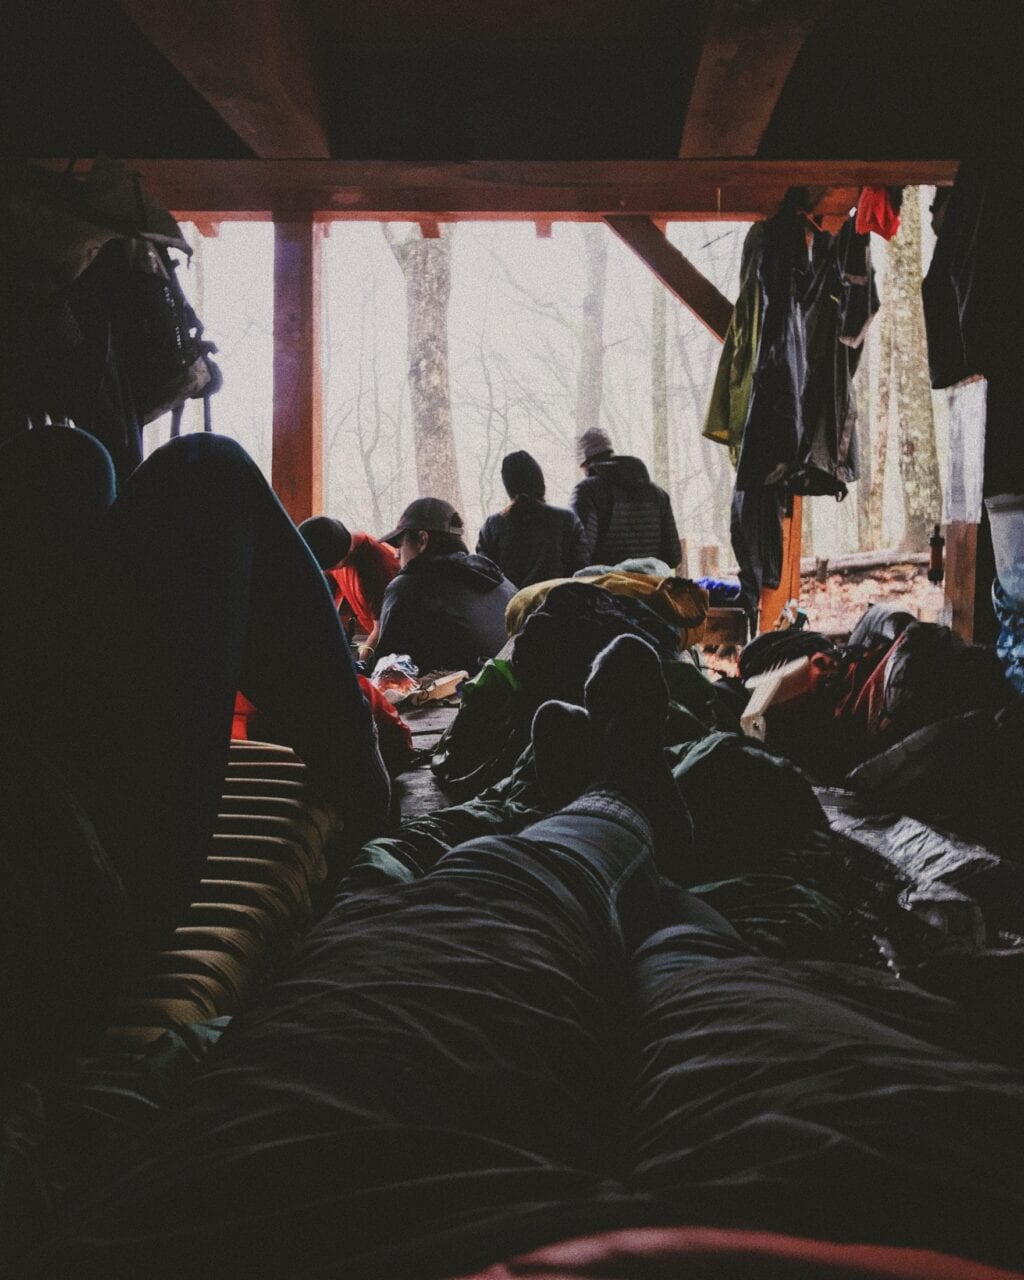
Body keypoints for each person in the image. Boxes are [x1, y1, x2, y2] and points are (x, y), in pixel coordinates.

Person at [21, 637, 1024, 1280]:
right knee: (695, 962)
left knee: (486, 896)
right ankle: (629, 815)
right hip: (906, 1208)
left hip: (314, 1227)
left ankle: (617, 806)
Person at [0, 425, 391, 1071]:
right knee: (209, 468)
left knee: (64, 463)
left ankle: (351, 749)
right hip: (57, 897)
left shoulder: (382, 567)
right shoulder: (386, 569)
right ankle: (356, 766)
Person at [376, 497, 516, 675]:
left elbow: (386, 668)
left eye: (400, 545)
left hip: (456, 698)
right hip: (510, 692)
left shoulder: (407, 587)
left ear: (422, 540)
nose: (396, 555)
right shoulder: (500, 581)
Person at [569, 427, 681, 570]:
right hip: (649, 589)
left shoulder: (587, 491)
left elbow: (580, 555)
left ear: (583, 463)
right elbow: (673, 557)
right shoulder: (658, 494)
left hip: (603, 589)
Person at [476, 450, 587, 588]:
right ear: (541, 482)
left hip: (511, 608)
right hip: (559, 605)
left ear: (508, 487)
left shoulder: (491, 526)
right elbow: (581, 573)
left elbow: (484, 576)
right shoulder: (567, 520)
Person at [298, 516, 399, 666]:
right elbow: (326, 608)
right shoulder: (336, 545)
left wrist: (358, 668)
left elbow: (382, 632)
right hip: (378, 637)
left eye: (327, 568)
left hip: (397, 648)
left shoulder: (376, 566)